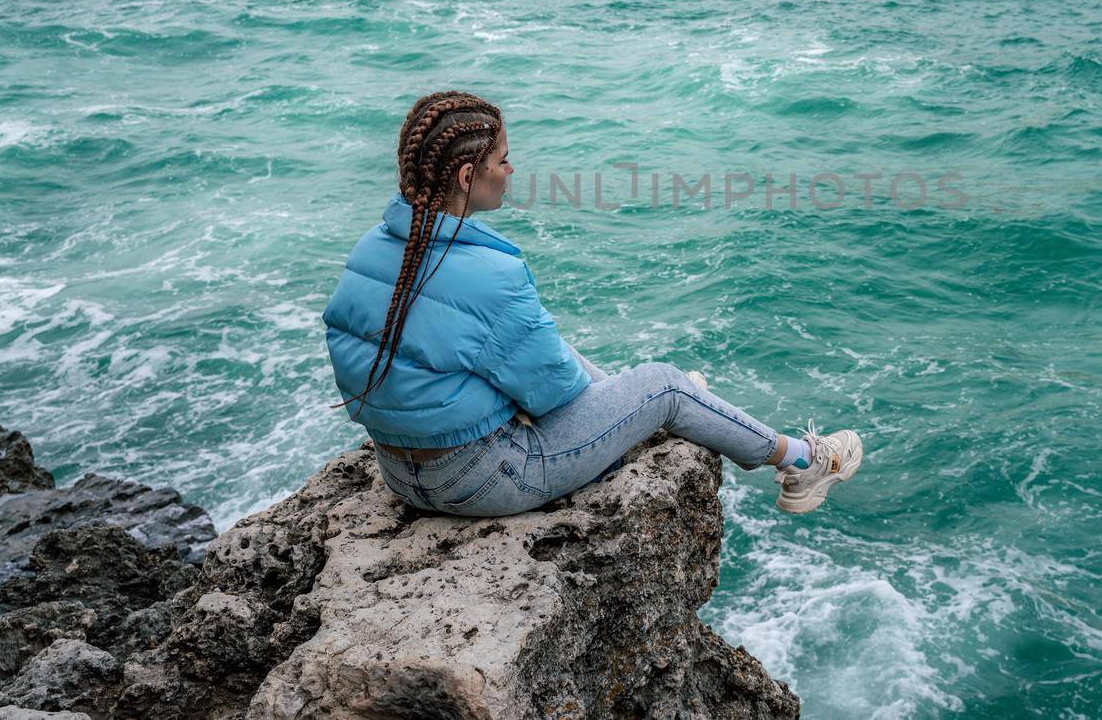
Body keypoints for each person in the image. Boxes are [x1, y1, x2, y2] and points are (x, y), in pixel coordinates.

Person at [322, 89, 863, 517]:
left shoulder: (371, 249)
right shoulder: (490, 276)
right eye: (504, 160)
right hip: (484, 483)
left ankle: (655, 413)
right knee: (665, 386)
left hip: (402, 474)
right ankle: (804, 463)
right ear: (469, 176)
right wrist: (624, 406)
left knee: (541, 346)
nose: (511, 170)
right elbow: (557, 398)